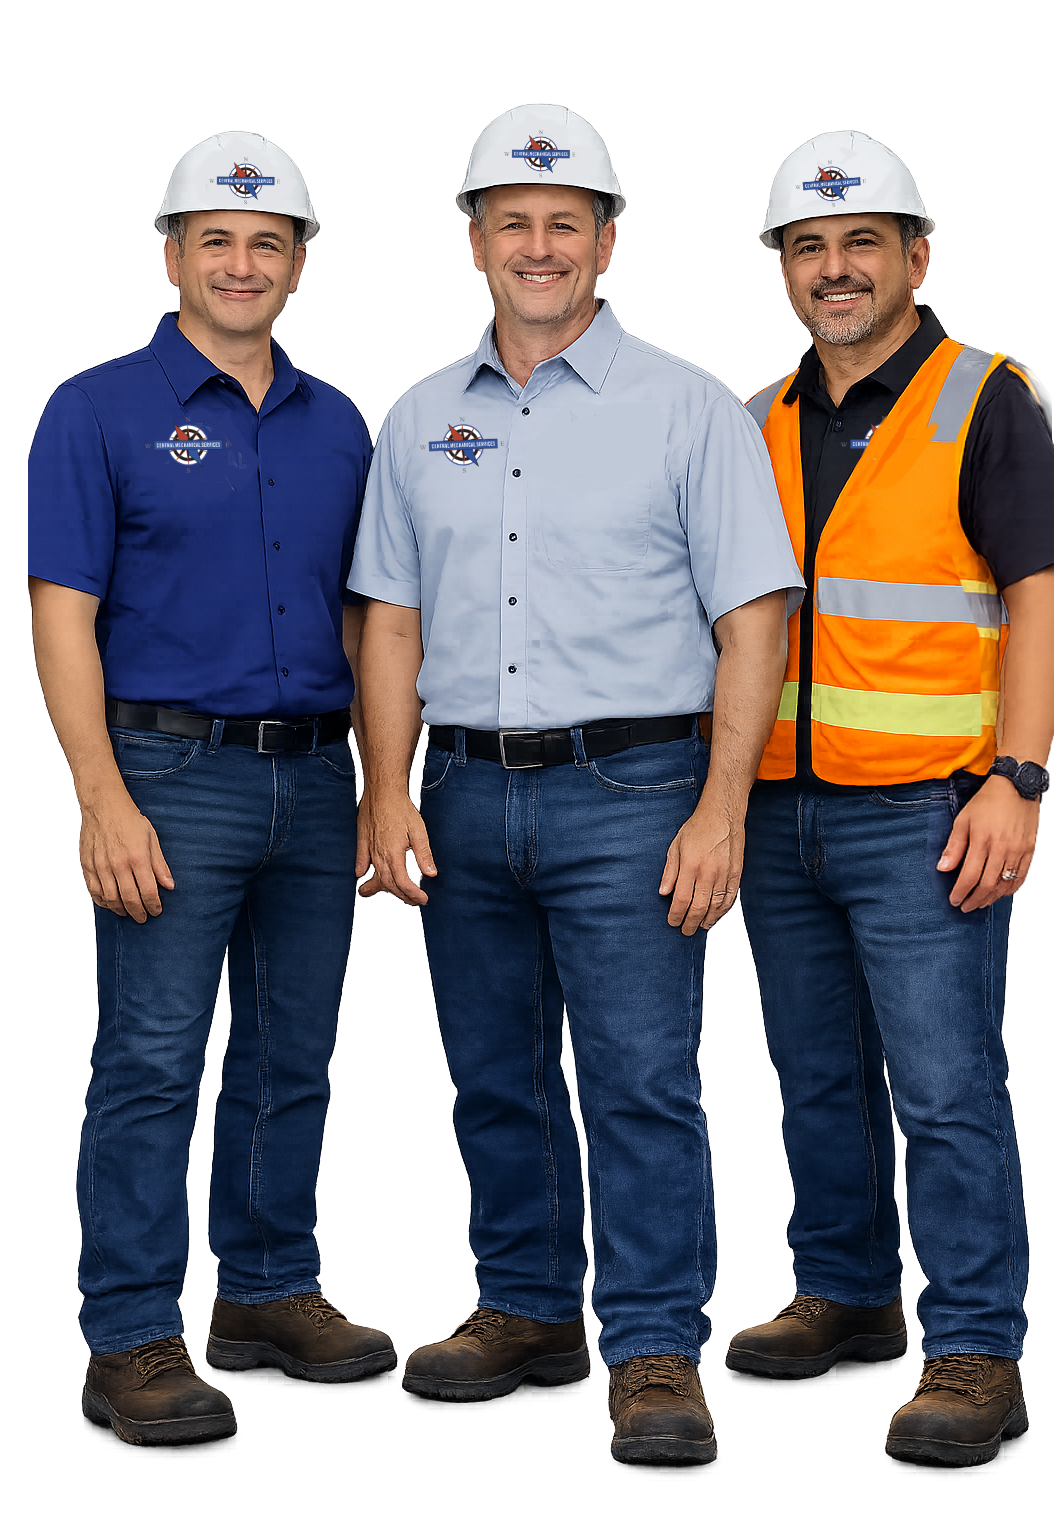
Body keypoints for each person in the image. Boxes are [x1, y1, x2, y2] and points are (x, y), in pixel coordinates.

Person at [349, 102, 804, 1470]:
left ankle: (656, 1348)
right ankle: (530, 1313)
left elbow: (756, 621)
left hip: (635, 791)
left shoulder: (688, 408)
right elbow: (387, 622)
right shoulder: (421, 417)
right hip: (462, 794)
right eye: (511, 223)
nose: (537, 245)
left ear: (605, 242)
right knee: (493, 1075)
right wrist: (386, 790)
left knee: (640, 1079)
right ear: (475, 244)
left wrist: (721, 808)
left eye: (564, 223)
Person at [28, 130, 395, 1446]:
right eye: (216, 240)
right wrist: (100, 798)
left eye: (268, 243)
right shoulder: (96, 407)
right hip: (168, 776)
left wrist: (378, 781)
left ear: (297, 268)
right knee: (151, 1059)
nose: (241, 264)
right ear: (174, 254)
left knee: (292, 1058)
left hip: (316, 774)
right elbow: (59, 613)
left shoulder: (342, 420)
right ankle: (130, 1338)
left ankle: (265, 1293)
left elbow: (368, 621)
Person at [728, 129, 1054, 1466]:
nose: (834, 267)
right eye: (808, 247)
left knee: (943, 1090)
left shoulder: (983, 397)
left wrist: (1020, 777)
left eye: (860, 242)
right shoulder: (752, 420)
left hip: (928, 813)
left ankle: (978, 1352)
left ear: (916, 258)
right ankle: (849, 1301)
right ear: (784, 270)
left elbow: (1043, 590)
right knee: (817, 1077)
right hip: (779, 810)